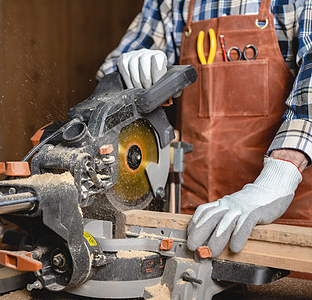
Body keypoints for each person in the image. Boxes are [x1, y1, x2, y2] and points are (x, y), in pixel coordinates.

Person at [97, 0, 312, 257]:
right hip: (192, 218)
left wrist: (279, 177)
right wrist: (127, 77)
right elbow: (106, 94)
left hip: (284, 221)